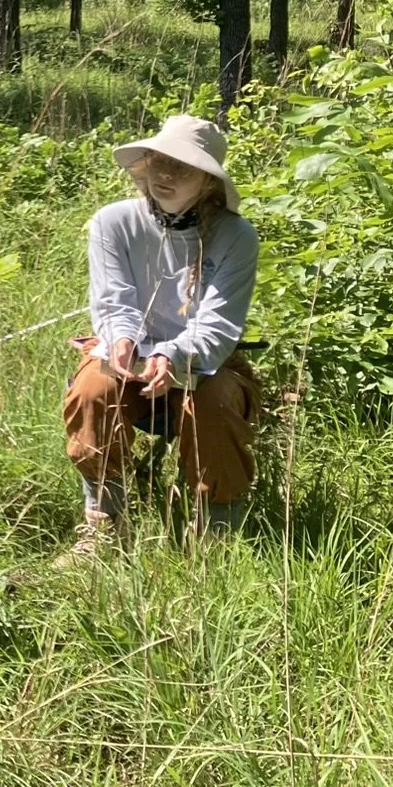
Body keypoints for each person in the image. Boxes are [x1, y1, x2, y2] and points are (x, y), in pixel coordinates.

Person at [62, 115, 262, 557]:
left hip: (205, 363)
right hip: (126, 356)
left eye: (183, 168)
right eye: (159, 162)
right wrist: (122, 342)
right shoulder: (112, 222)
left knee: (213, 403)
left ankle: (215, 533)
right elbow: (113, 301)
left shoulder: (237, 237)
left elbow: (219, 324)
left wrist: (173, 356)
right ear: (144, 164)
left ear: (209, 183)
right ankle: (105, 525)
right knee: (94, 388)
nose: (166, 176)